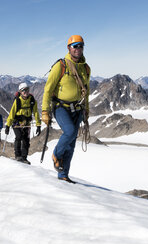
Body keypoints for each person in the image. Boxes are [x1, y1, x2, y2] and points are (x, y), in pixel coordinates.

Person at [41, 35, 91, 183]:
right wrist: (44, 111)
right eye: (74, 46)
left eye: (80, 45)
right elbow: (48, 89)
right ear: (69, 48)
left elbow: (85, 91)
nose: (78, 49)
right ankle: (56, 154)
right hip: (60, 107)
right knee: (69, 132)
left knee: (71, 144)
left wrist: (86, 109)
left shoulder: (86, 68)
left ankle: (63, 175)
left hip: (77, 108)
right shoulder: (61, 66)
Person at [5, 82, 41, 164]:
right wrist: (7, 125)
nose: (25, 92)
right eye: (23, 90)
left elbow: (36, 112)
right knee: (19, 137)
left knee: (26, 140)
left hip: (27, 123)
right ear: (20, 92)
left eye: (27, 89)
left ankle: (24, 157)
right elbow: (12, 113)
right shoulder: (17, 101)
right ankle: (18, 156)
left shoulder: (32, 100)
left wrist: (38, 125)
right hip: (16, 123)